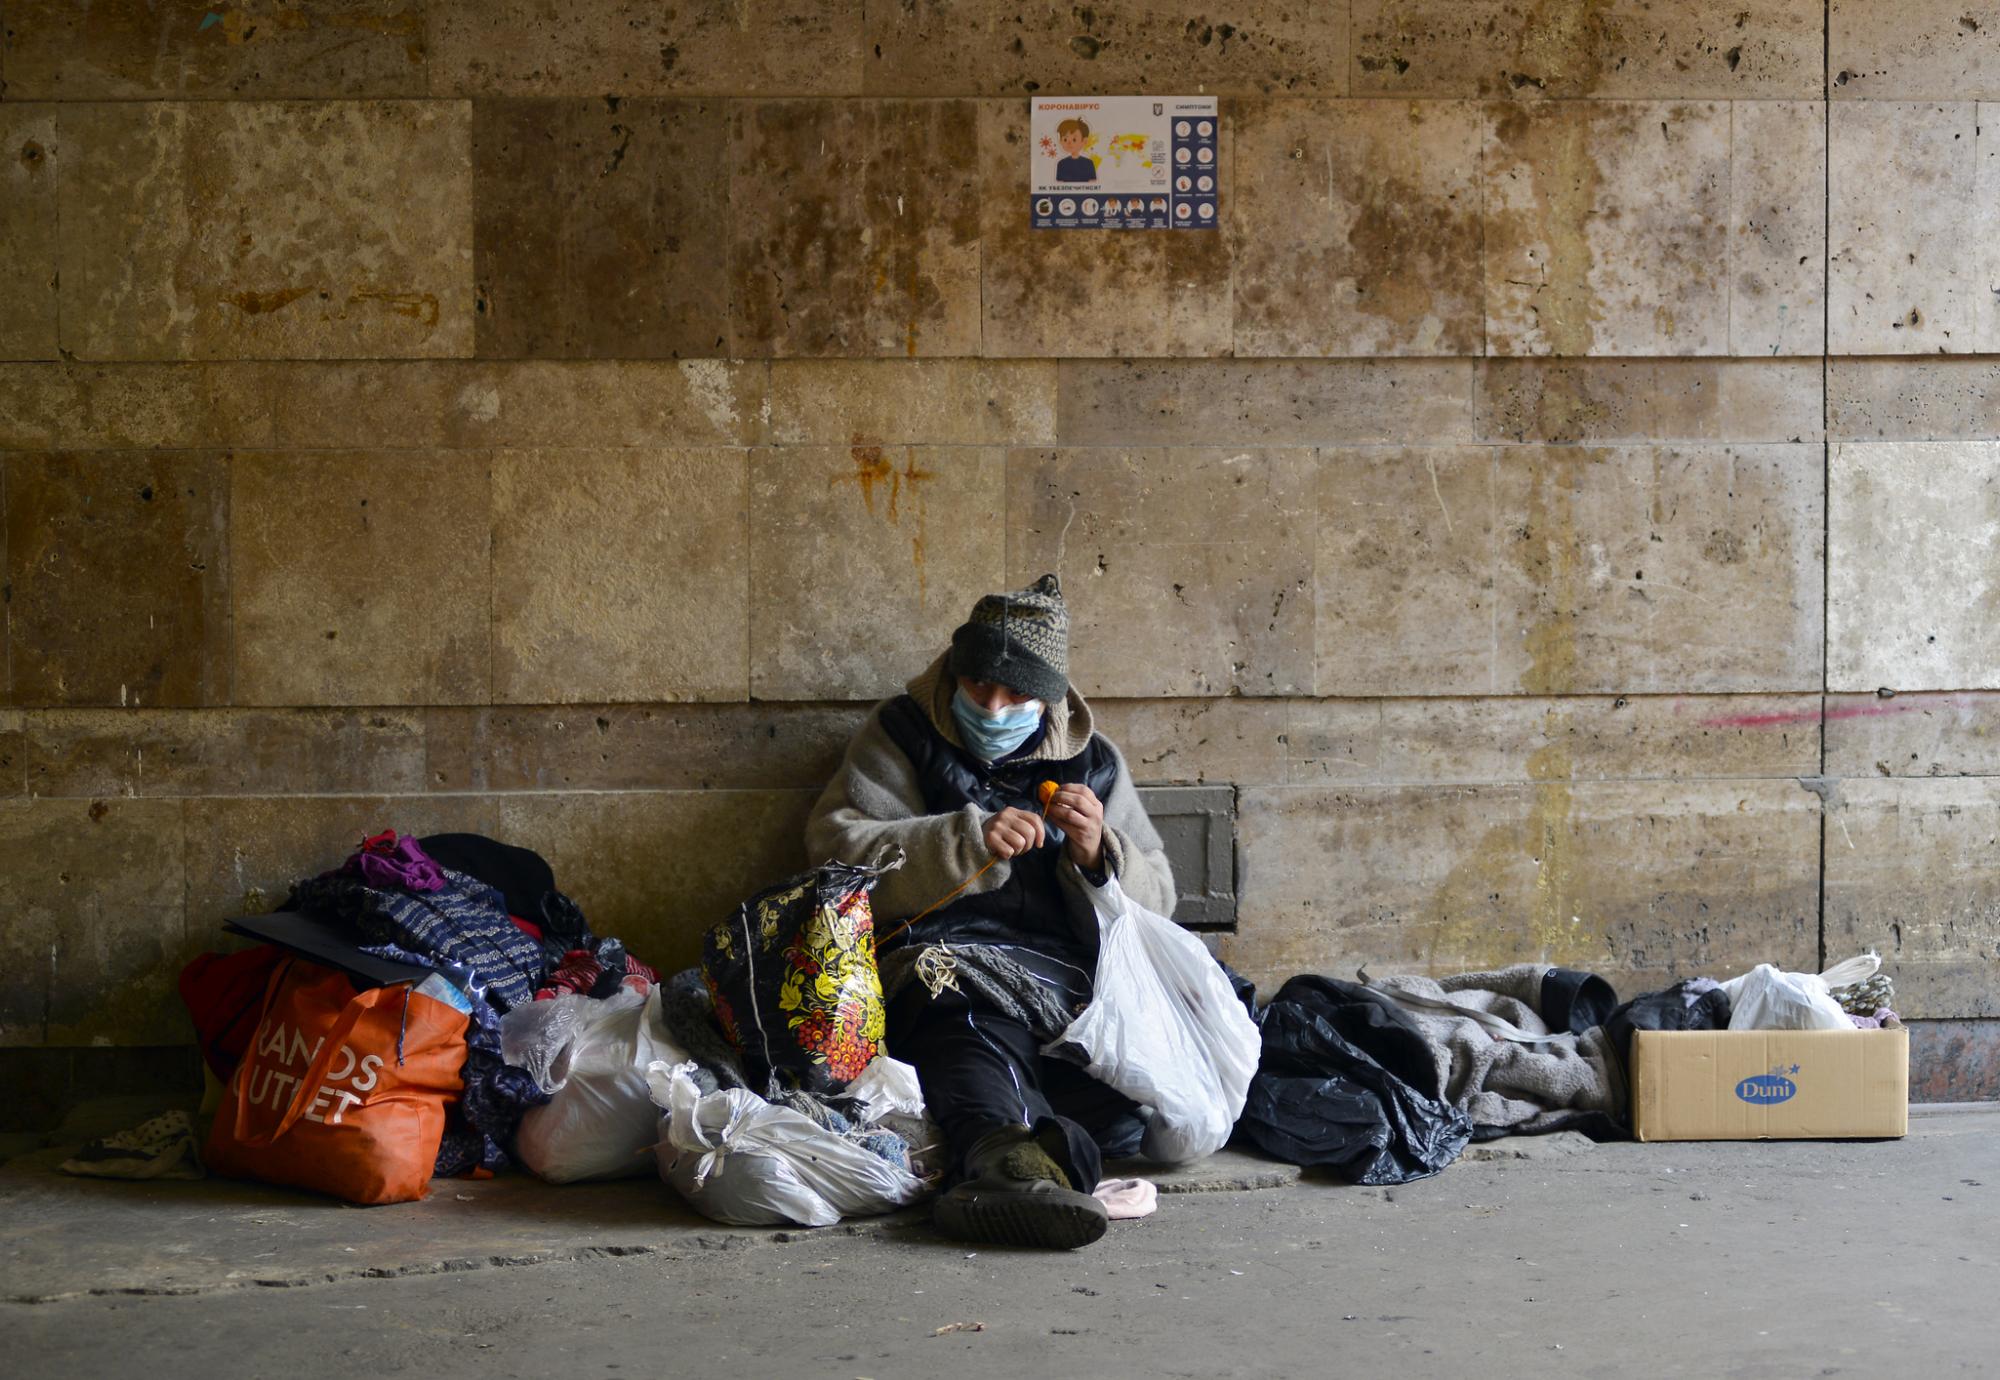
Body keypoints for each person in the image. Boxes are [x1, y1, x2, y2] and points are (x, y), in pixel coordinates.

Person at [805, 574, 1176, 1249]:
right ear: (955, 674)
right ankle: (1007, 1160)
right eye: (979, 688)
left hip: (1059, 975)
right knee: (970, 1023)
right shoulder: (900, 733)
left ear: (1052, 696)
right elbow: (837, 854)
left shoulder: (1094, 762)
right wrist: (961, 841)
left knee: (1118, 1070)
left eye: (1016, 695)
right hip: (943, 962)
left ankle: (1033, 1156)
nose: (994, 706)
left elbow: (1162, 898)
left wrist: (1100, 852)